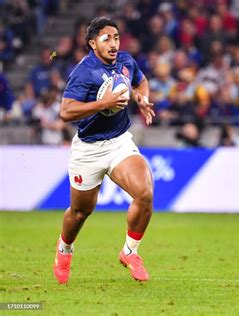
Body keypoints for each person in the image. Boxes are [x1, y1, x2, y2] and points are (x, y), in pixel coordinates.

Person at [54, 17, 156, 284]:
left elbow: (140, 81)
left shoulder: (126, 61)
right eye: (106, 39)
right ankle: (64, 249)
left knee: (144, 194)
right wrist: (104, 103)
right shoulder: (84, 71)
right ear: (92, 43)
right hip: (88, 149)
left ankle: (130, 252)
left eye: (116, 37)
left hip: (119, 141)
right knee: (80, 212)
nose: (113, 44)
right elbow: (66, 111)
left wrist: (141, 98)